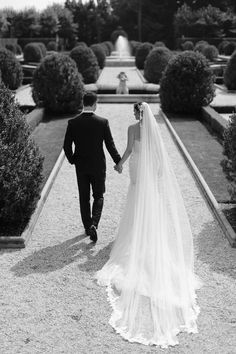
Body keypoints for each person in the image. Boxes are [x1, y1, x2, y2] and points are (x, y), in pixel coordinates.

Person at [95, 102, 201, 348]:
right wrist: (160, 171)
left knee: (135, 201)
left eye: (134, 112)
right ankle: (148, 235)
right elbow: (160, 156)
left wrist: (120, 164)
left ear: (135, 114)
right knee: (149, 203)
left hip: (137, 170)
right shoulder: (154, 130)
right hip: (150, 173)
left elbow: (130, 150)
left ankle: (133, 236)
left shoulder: (133, 128)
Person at [63, 92, 121, 242]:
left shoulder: (73, 122)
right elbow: (110, 145)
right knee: (99, 195)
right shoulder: (103, 122)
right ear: (95, 104)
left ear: (83, 103)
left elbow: (66, 146)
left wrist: (73, 160)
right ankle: (94, 224)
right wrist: (118, 161)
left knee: (84, 197)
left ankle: (88, 226)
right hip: (98, 166)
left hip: (81, 166)